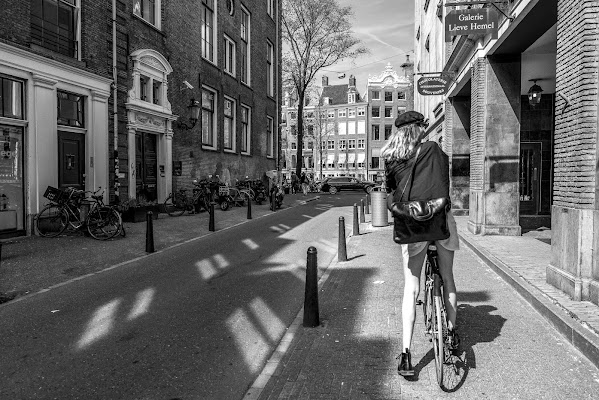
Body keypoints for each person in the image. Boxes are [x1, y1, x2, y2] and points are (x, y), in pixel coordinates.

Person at [382, 111, 460, 377]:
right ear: (419, 130)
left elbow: (390, 190)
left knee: (411, 287)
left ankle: (406, 355)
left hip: (413, 226)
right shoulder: (434, 150)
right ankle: (450, 334)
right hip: (440, 221)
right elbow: (444, 184)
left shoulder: (392, 158)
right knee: (448, 278)